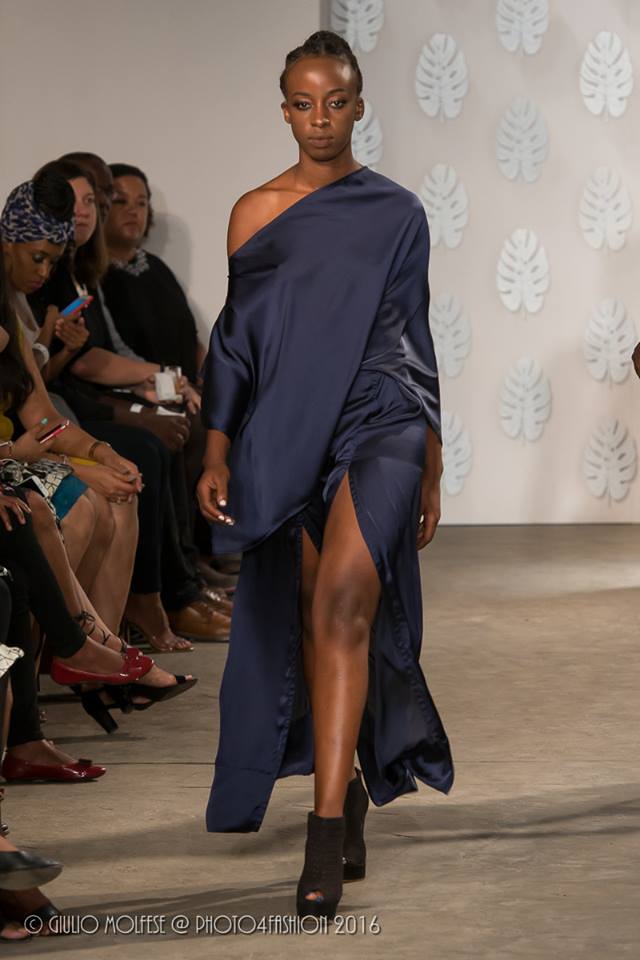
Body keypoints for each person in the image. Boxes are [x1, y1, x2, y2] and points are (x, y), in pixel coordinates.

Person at [197, 31, 453, 919]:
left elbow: (415, 337)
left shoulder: (397, 212)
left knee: (344, 603)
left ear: (358, 106)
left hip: (383, 419)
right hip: (289, 427)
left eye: (335, 102)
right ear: (284, 111)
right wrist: (216, 448)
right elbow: (236, 343)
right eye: (304, 104)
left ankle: (325, 831)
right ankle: (344, 793)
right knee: (315, 617)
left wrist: (432, 461)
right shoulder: (255, 212)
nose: (320, 119)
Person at [102, 163, 207, 383]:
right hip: (134, 392)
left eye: (141, 203)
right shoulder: (92, 272)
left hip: (186, 389)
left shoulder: (157, 267)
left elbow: (191, 337)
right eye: (120, 201)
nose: (133, 211)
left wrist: (206, 379)